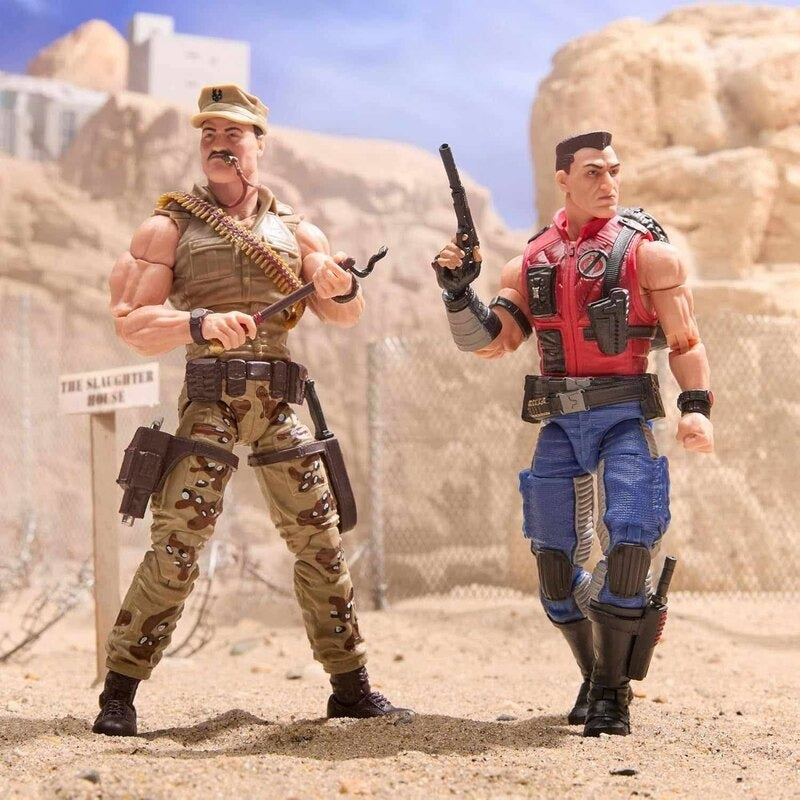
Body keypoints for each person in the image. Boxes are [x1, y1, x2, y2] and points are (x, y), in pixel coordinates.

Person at [93, 84, 408, 736]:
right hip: (211, 398)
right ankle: (119, 692)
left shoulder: (297, 231)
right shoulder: (169, 227)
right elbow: (131, 323)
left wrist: (338, 285)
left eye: (232, 133)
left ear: (258, 144)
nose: (218, 143)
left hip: (278, 401)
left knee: (321, 544)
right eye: (208, 133)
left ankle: (350, 688)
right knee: (177, 544)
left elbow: (345, 314)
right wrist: (198, 323)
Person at [432, 130, 713, 737]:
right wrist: (458, 294)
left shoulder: (649, 256)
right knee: (555, 567)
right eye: (592, 172)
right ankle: (593, 673)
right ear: (563, 180)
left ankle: (613, 691)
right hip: (559, 421)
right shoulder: (530, 261)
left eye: (613, 170)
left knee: (632, 541)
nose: (608, 182)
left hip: (624, 414)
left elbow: (686, 341)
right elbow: (494, 342)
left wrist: (695, 407)